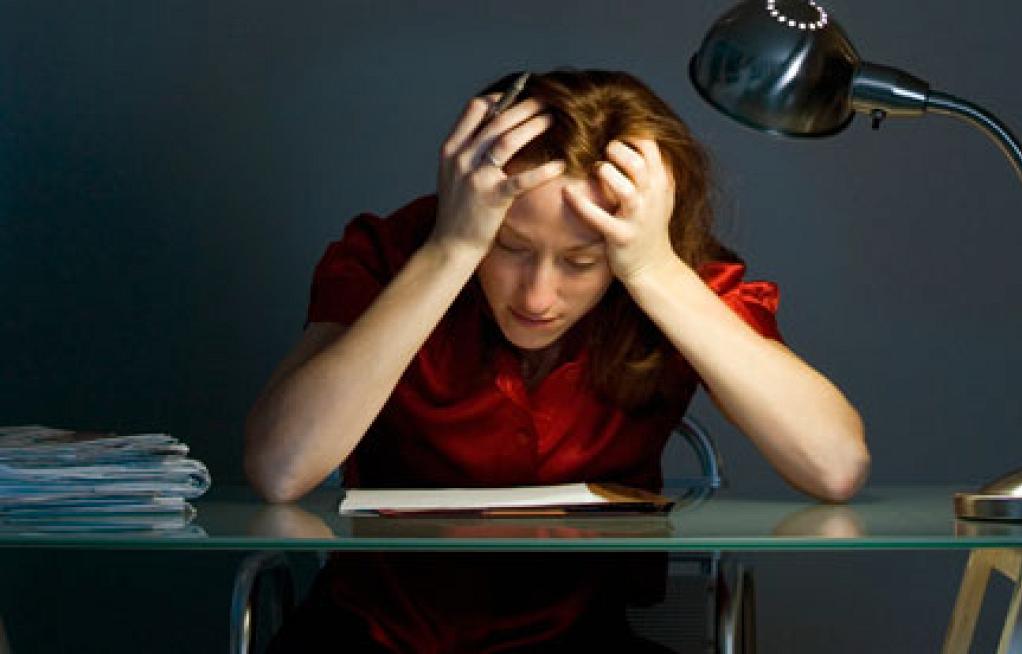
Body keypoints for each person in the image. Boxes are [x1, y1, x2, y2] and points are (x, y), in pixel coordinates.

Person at [245, 69, 870, 652]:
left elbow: (834, 466)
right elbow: (281, 468)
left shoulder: (669, 275)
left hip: (579, 639)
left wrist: (652, 269)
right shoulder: (394, 253)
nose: (538, 297)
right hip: (370, 635)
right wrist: (452, 249)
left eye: (580, 262)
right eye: (510, 247)